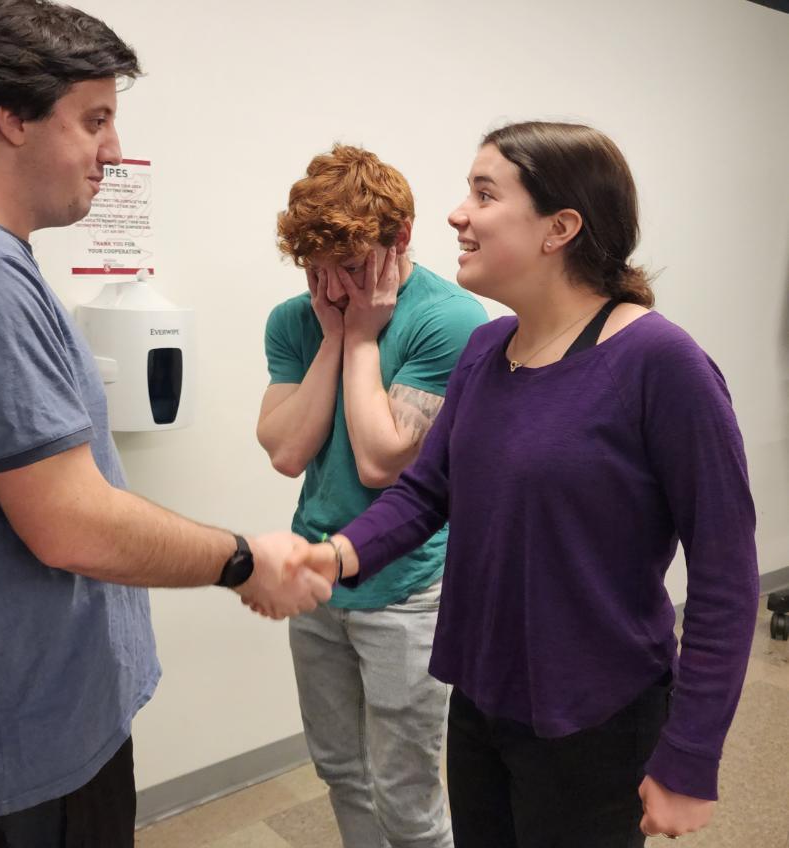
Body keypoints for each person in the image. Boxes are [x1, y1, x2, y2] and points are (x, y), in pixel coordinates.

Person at [0, 1, 331, 845]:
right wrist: (243, 559)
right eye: (94, 120)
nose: (114, 151)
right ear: (11, 118)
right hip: (8, 753)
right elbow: (70, 523)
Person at [289, 122, 759, 847]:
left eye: (484, 193)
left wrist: (690, 755)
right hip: (481, 696)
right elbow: (423, 494)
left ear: (560, 228)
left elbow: (727, 575)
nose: (457, 214)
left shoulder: (661, 365)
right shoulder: (485, 349)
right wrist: (337, 557)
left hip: (596, 713)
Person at [257, 144, 487, 847]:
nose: (331, 287)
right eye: (314, 269)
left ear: (400, 242)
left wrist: (362, 340)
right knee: (340, 770)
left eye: (351, 267)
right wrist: (336, 336)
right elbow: (286, 451)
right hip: (320, 581)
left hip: (407, 591)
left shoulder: (451, 319)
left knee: (406, 793)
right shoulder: (298, 319)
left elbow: (383, 460)